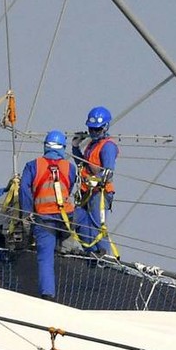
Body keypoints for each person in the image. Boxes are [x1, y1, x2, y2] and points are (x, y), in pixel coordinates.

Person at [19, 130, 80, 300]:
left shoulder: (33, 165)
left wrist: (26, 214)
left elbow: (24, 190)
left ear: (45, 146)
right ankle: (69, 250)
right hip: (67, 218)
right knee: (66, 246)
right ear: (63, 147)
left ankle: (48, 294)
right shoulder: (70, 168)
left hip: (44, 218)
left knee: (45, 258)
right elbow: (70, 186)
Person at [72, 106, 119, 256]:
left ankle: (104, 256)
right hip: (87, 192)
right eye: (91, 129)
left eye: (97, 130)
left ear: (105, 127)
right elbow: (82, 164)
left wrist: (96, 181)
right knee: (79, 220)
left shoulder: (108, 146)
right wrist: (75, 147)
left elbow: (108, 172)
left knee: (98, 224)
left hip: (99, 192)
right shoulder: (93, 145)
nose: (93, 132)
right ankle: (91, 252)